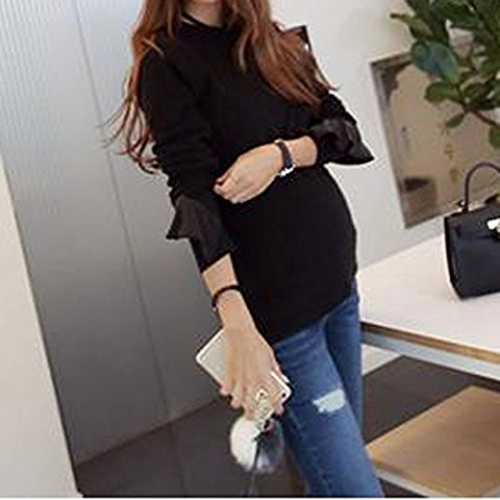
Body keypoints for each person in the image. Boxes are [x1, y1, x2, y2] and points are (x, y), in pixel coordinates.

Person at [110, 0, 384, 496]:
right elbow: (193, 196)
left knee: (335, 474)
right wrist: (234, 317)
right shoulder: (166, 63)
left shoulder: (271, 41)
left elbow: (343, 133)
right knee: (351, 488)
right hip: (282, 316)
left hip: (338, 285)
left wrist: (279, 156)